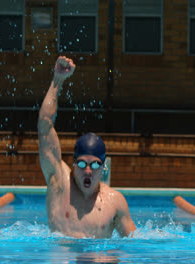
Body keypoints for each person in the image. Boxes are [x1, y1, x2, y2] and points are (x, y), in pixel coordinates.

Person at [37, 56, 136, 238]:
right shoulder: (59, 183)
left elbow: (136, 246)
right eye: (82, 164)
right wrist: (57, 80)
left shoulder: (114, 202)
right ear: (74, 163)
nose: (88, 171)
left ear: (103, 167)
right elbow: (45, 124)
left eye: (95, 165)